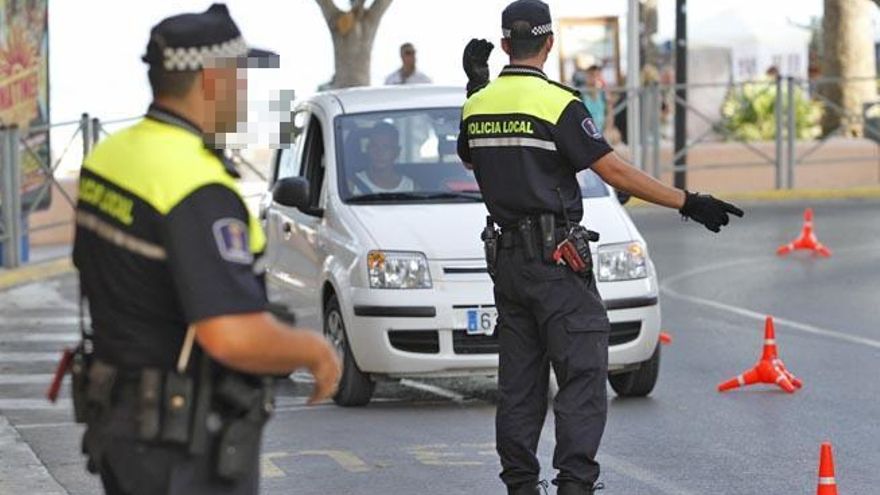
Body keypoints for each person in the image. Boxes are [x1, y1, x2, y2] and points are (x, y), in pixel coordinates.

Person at [458, 1, 744, 494]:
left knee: (520, 386)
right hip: (555, 264)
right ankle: (574, 485)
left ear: (505, 44)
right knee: (584, 376)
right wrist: (687, 201)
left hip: (506, 265)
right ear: (550, 43)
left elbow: (470, 157)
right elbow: (612, 170)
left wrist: (476, 85)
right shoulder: (558, 104)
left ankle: (521, 486)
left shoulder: (478, 104)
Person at [70, 4, 341, 494]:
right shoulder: (195, 186)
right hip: (182, 443)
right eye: (239, 79)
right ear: (211, 83)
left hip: (121, 423)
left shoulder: (110, 158)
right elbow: (230, 335)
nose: (244, 94)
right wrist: (315, 350)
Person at [350, 123, 415, 194]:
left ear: (397, 152)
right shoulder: (352, 185)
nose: (379, 153)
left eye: (386, 147)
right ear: (367, 149)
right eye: (374, 146)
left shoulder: (411, 187)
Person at [574, 65, 612, 138]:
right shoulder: (580, 94)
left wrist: (608, 130)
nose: (594, 78)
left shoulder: (603, 93)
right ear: (586, 77)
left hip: (602, 133)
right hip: (586, 134)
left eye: (597, 75)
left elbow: (609, 112)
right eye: (591, 75)